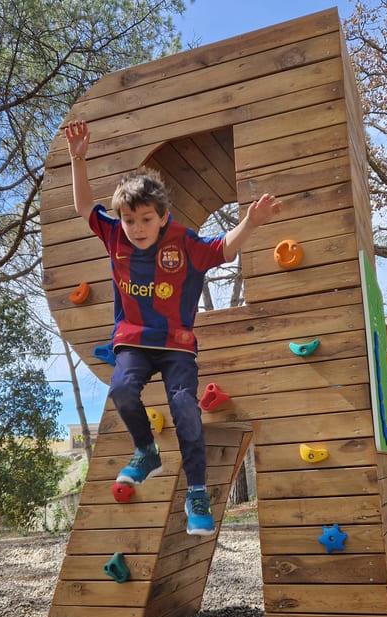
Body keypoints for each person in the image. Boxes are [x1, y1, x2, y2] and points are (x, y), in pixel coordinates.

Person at [64, 119, 280, 536]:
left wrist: (252, 223)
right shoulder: (115, 239)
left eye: (146, 219)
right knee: (122, 390)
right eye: (130, 220)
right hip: (133, 340)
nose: (137, 228)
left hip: (177, 346)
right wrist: (78, 160)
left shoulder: (184, 242)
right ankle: (146, 451)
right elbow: (83, 206)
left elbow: (224, 249)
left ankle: (196, 491)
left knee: (184, 405)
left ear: (163, 217)